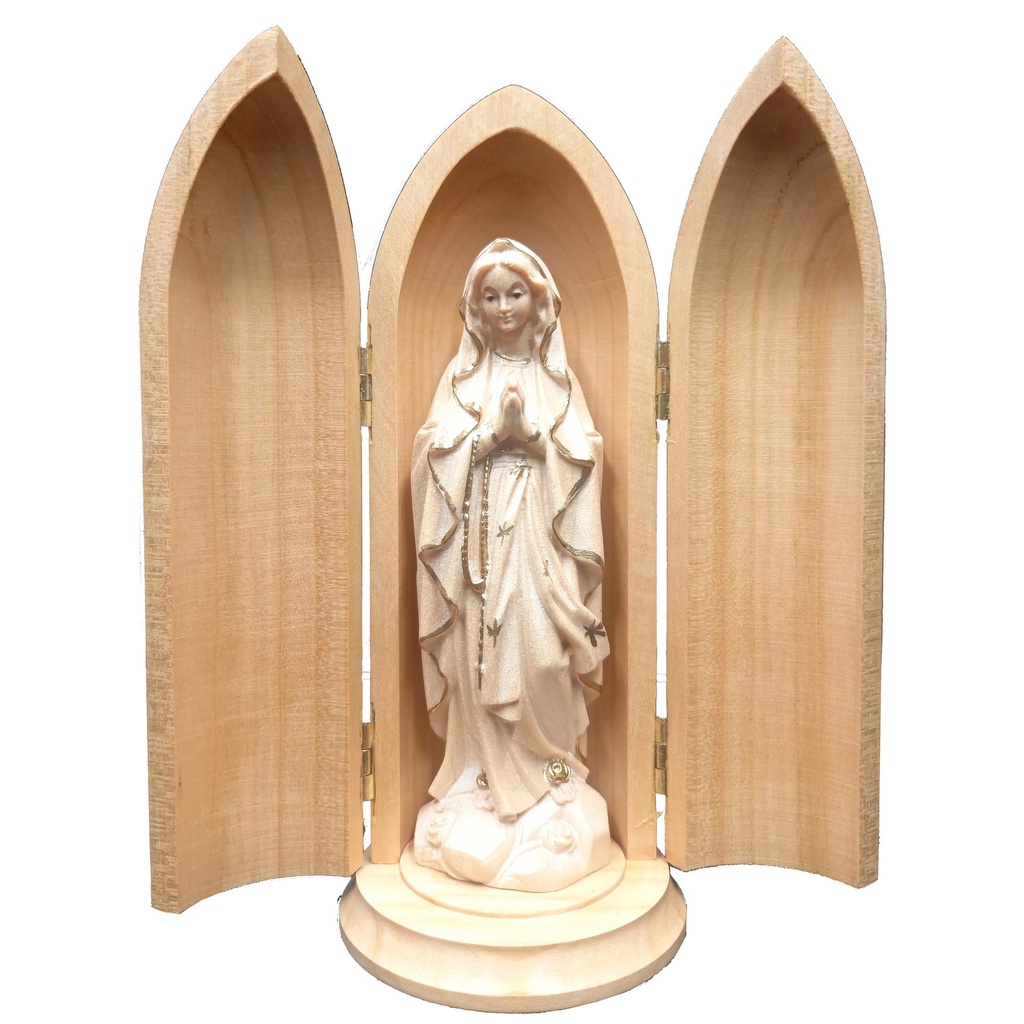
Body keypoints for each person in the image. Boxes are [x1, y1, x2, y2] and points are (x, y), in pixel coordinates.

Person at [411, 239, 610, 890]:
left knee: (543, 655)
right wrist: (494, 437)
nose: (503, 308)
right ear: (475, 306)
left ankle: (552, 770)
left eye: (514, 294)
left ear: (538, 301)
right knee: (477, 653)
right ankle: (483, 778)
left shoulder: (557, 381)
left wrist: (536, 441)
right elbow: (430, 455)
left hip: (537, 537)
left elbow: (585, 456)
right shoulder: (462, 380)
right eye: (491, 296)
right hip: (477, 543)